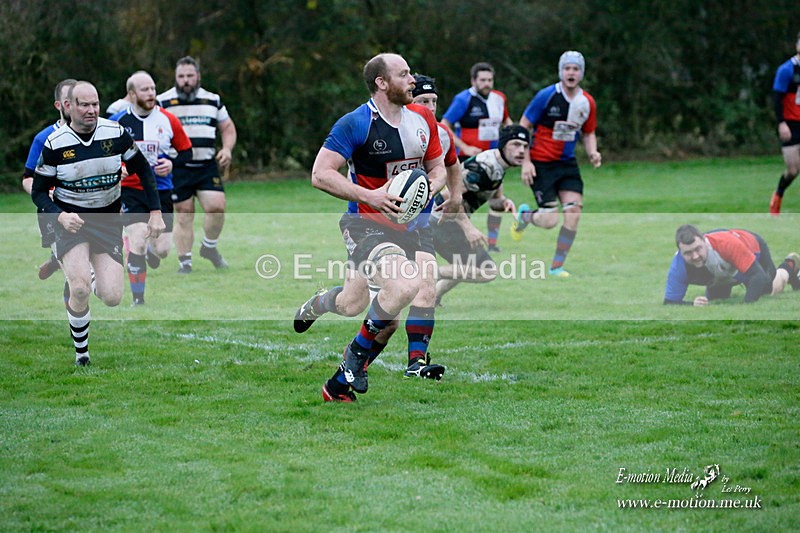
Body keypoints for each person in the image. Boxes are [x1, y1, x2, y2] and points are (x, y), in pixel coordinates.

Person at [293, 73, 460, 400]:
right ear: (382, 82)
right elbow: (320, 174)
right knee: (384, 294)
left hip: (412, 227)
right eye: (404, 74)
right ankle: (340, 331)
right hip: (367, 225)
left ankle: (339, 385)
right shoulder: (356, 123)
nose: (411, 80)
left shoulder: (426, 121)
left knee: (384, 311)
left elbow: (441, 168)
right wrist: (371, 196)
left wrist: (430, 190)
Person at [31, 81, 164, 366]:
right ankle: (82, 355)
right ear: (70, 107)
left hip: (107, 222)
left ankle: (79, 268)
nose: (91, 110)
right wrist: (60, 215)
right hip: (71, 223)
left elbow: (143, 169)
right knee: (79, 289)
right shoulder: (55, 143)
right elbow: (38, 192)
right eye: (84, 105)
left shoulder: (115, 133)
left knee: (112, 297)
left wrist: (155, 212)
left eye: (95, 104)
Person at [510, 51, 602, 278]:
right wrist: (526, 162)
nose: (571, 73)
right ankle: (525, 216)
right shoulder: (546, 96)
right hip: (541, 164)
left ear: (581, 73)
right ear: (561, 71)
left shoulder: (587, 102)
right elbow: (524, 126)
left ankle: (556, 267)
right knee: (549, 220)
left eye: (576, 69)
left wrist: (593, 152)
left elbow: (588, 132)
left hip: (567, 164)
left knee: (573, 213)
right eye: (567, 68)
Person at [111, 71, 192, 305]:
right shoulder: (117, 122)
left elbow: (186, 152)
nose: (151, 93)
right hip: (131, 190)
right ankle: (139, 300)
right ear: (132, 94)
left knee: (163, 250)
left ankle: (149, 251)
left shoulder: (168, 119)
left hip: (160, 190)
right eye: (145, 89)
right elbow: (103, 154)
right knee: (137, 239)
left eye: (153, 89)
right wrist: (117, 168)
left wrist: (172, 163)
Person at [433, 125, 529, 305]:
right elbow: (448, 195)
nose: (521, 151)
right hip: (441, 220)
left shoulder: (499, 166)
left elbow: (494, 202)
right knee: (487, 271)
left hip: (449, 221)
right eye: (516, 144)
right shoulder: (484, 167)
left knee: (466, 267)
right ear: (503, 145)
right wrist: (468, 228)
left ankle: (433, 297)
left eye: (525, 146)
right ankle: (424, 275)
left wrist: (504, 202)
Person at [157, 56, 237, 273]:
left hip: (206, 166)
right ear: (175, 78)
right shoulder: (162, 102)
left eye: (190, 76)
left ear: (198, 76)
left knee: (217, 207)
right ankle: (185, 262)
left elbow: (227, 128)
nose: (185, 80)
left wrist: (227, 149)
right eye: (181, 76)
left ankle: (209, 247)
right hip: (177, 167)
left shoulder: (212, 100)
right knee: (184, 213)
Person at [441, 62, 513, 252]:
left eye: (490, 80)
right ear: (473, 81)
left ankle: (492, 243)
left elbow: (507, 121)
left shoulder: (499, 98)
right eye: (482, 80)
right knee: (459, 199)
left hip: (494, 160)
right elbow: (445, 124)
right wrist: (465, 146)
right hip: (468, 160)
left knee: (497, 198)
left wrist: (512, 139)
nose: (487, 83)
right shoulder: (463, 99)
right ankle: (452, 236)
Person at [22, 78, 77, 281]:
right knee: (76, 275)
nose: (74, 105)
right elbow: (27, 179)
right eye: (68, 101)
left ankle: (57, 259)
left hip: (87, 208)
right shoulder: (44, 138)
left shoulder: (97, 135)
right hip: (53, 211)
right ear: (58, 105)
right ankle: (59, 257)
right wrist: (45, 193)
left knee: (79, 271)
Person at [664, 224, 800, 305]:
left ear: (704, 241)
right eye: (688, 253)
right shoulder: (678, 265)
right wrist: (693, 304)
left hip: (753, 251)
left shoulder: (726, 244)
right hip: (722, 274)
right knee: (716, 301)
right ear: (680, 252)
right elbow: (670, 302)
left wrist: (746, 307)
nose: (695, 256)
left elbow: (758, 276)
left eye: (698, 249)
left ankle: (790, 266)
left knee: (767, 290)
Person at [769, 31, 800, 216]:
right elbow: (777, 98)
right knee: (793, 170)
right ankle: (778, 196)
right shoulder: (787, 70)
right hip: (791, 123)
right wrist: (782, 123)